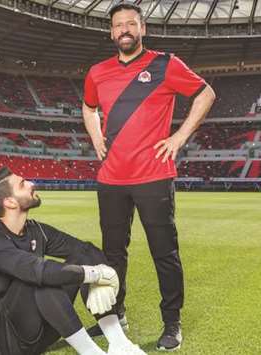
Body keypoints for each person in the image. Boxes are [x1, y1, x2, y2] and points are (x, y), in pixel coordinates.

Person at [82, 2, 216, 351]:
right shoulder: (97, 71)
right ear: (111, 32)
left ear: (142, 29)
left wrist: (179, 137)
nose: (124, 29)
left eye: (131, 24)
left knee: (164, 253)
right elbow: (88, 105)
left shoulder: (165, 64)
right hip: (111, 178)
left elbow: (206, 94)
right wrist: (96, 136)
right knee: (112, 255)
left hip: (153, 176)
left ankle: (172, 322)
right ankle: (114, 317)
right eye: (118, 25)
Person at [0, 167, 146, 355]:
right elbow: (41, 272)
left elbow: (85, 250)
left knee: (84, 256)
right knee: (42, 278)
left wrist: (97, 277)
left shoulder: (36, 230)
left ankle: (119, 343)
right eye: (22, 184)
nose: (31, 184)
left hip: (38, 334)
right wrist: (96, 274)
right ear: (10, 202)